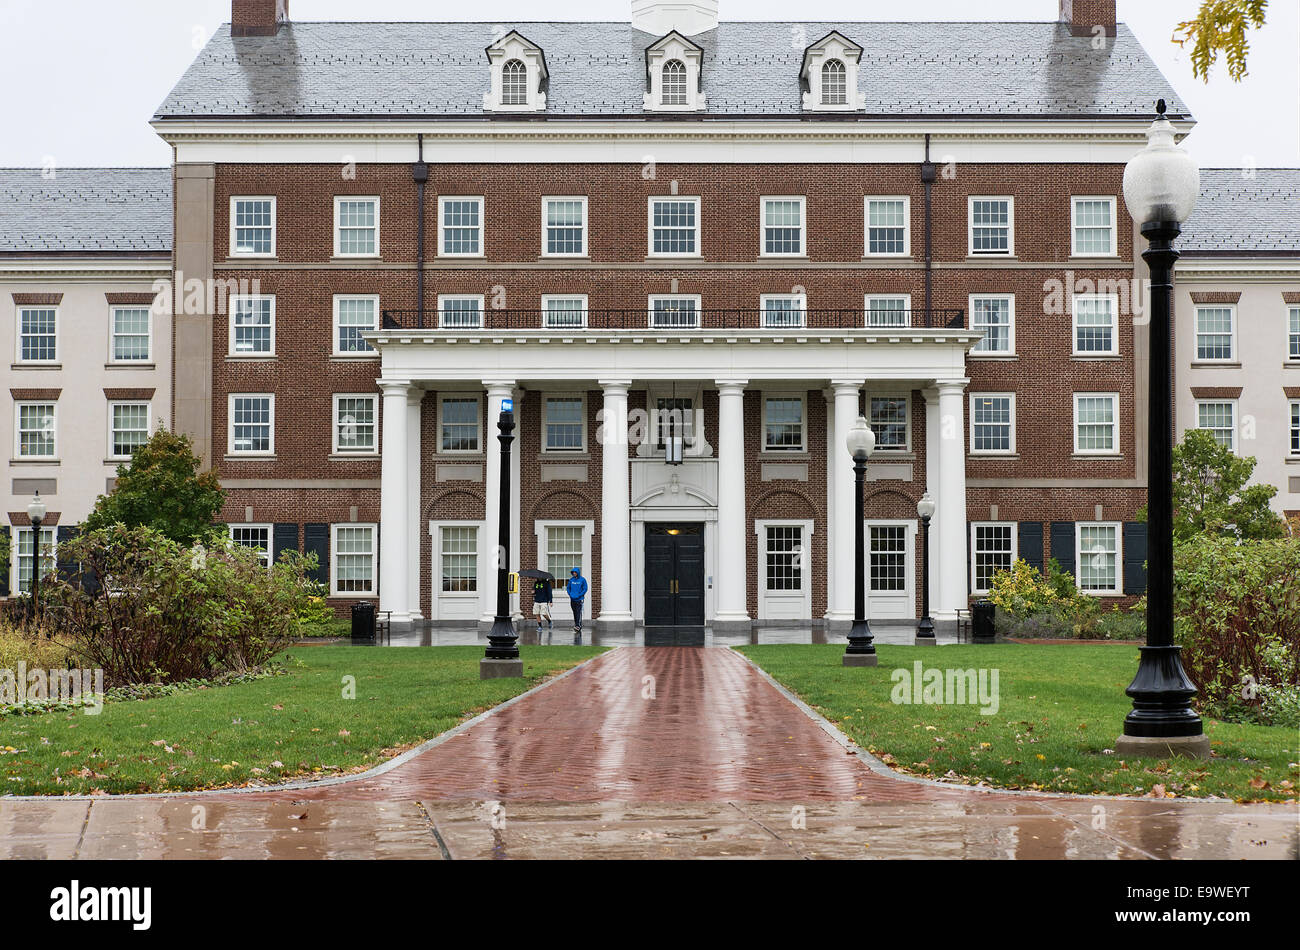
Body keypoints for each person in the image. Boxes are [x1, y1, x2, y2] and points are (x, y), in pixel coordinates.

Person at [565, 567, 589, 633]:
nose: (574, 573)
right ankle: (576, 625)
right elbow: (568, 588)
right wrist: (570, 594)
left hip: (579, 599)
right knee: (575, 612)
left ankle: (578, 625)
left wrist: (579, 595)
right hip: (572, 599)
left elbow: (585, 588)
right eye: (573, 572)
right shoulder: (571, 580)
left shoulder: (582, 580)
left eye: (575, 572)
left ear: (578, 572)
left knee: (579, 612)